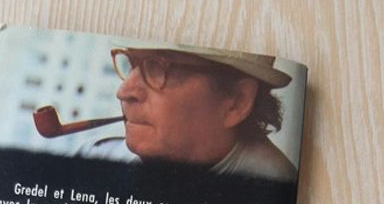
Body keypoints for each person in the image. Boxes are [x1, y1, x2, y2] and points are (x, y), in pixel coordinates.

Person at [87, 44, 297, 181]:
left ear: (237, 102)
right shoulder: (98, 155)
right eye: (131, 64)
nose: (123, 92)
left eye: (157, 68)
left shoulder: (272, 192)